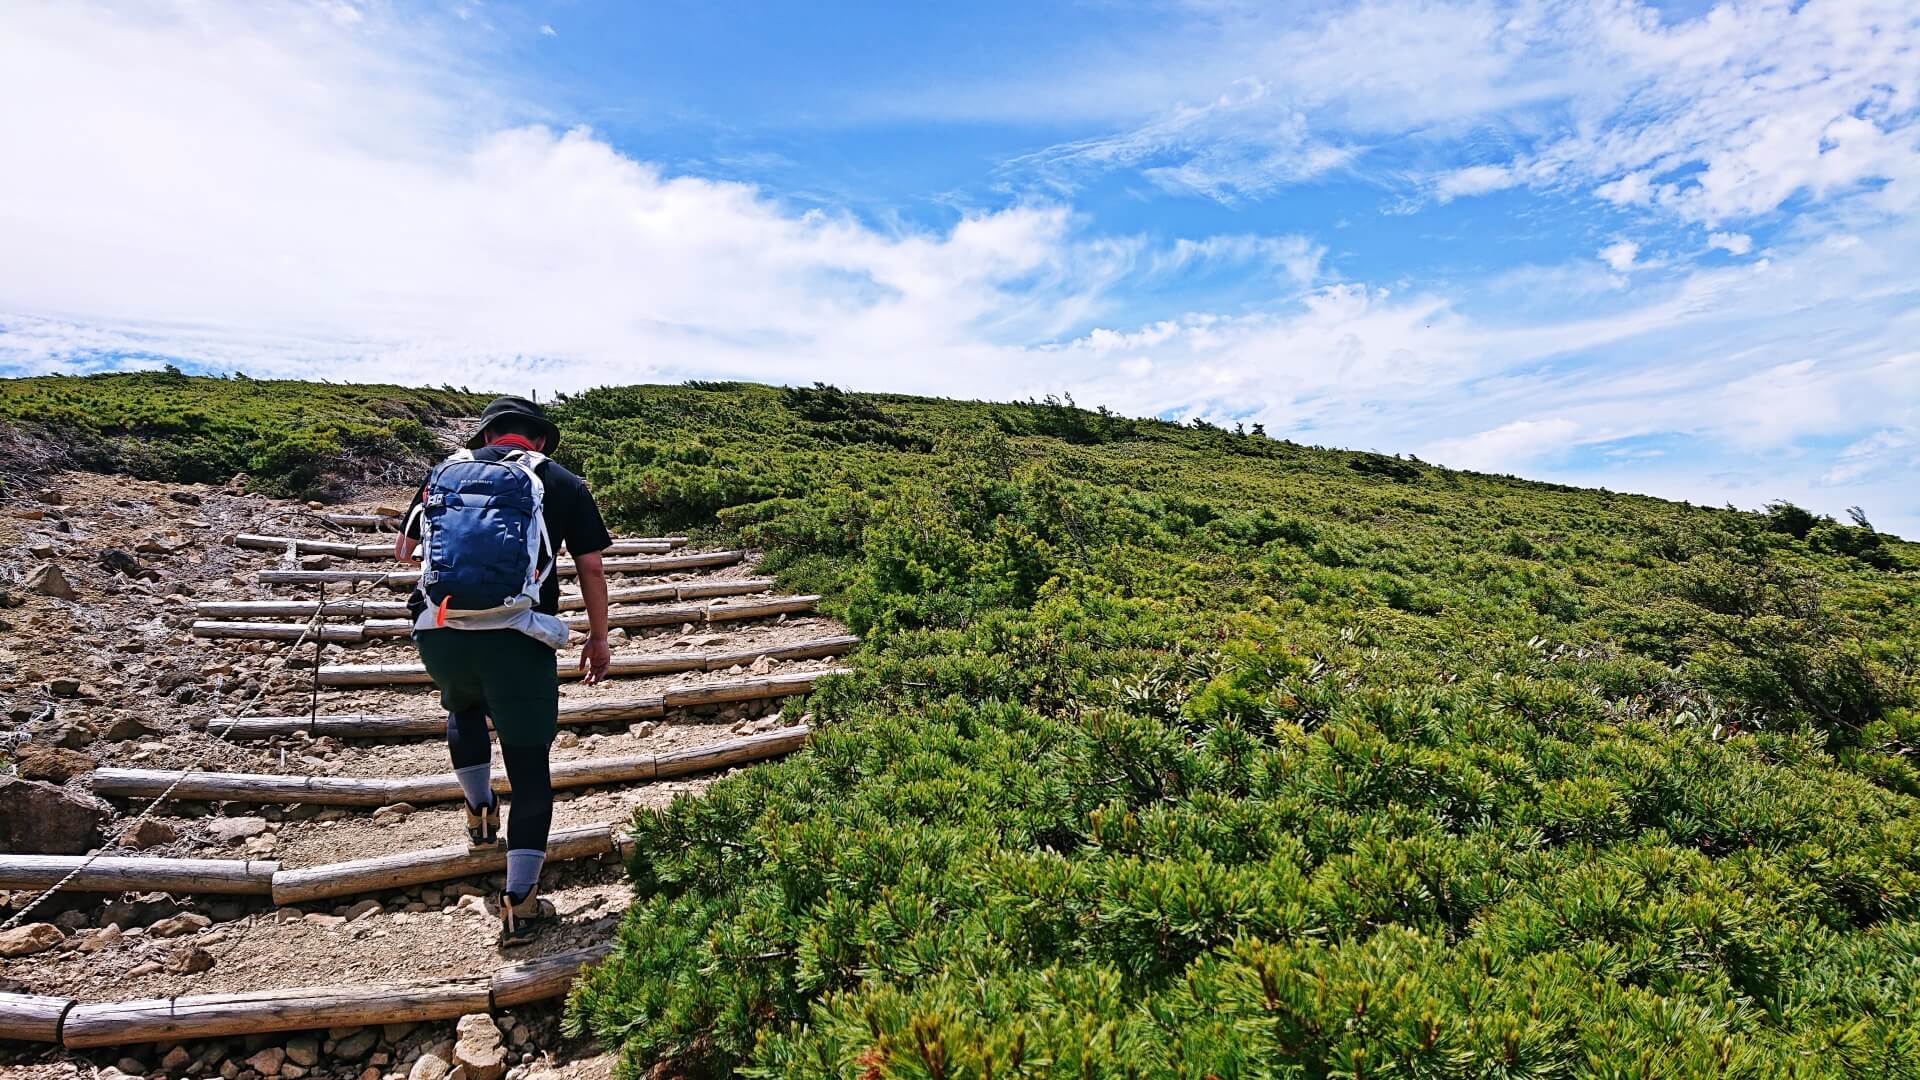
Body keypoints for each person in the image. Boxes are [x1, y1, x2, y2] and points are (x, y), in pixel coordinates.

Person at [394, 396, 613, 946]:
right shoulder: (561, 481)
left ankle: (478, 812)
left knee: (461, 707)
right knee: (529, 765)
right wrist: (598, 637)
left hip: (441, 631)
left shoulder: (444, 472)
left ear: (487, 433)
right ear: (537, 439)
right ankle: (519, 903)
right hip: (517, 639)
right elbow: (591, 565)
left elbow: (405, 550)